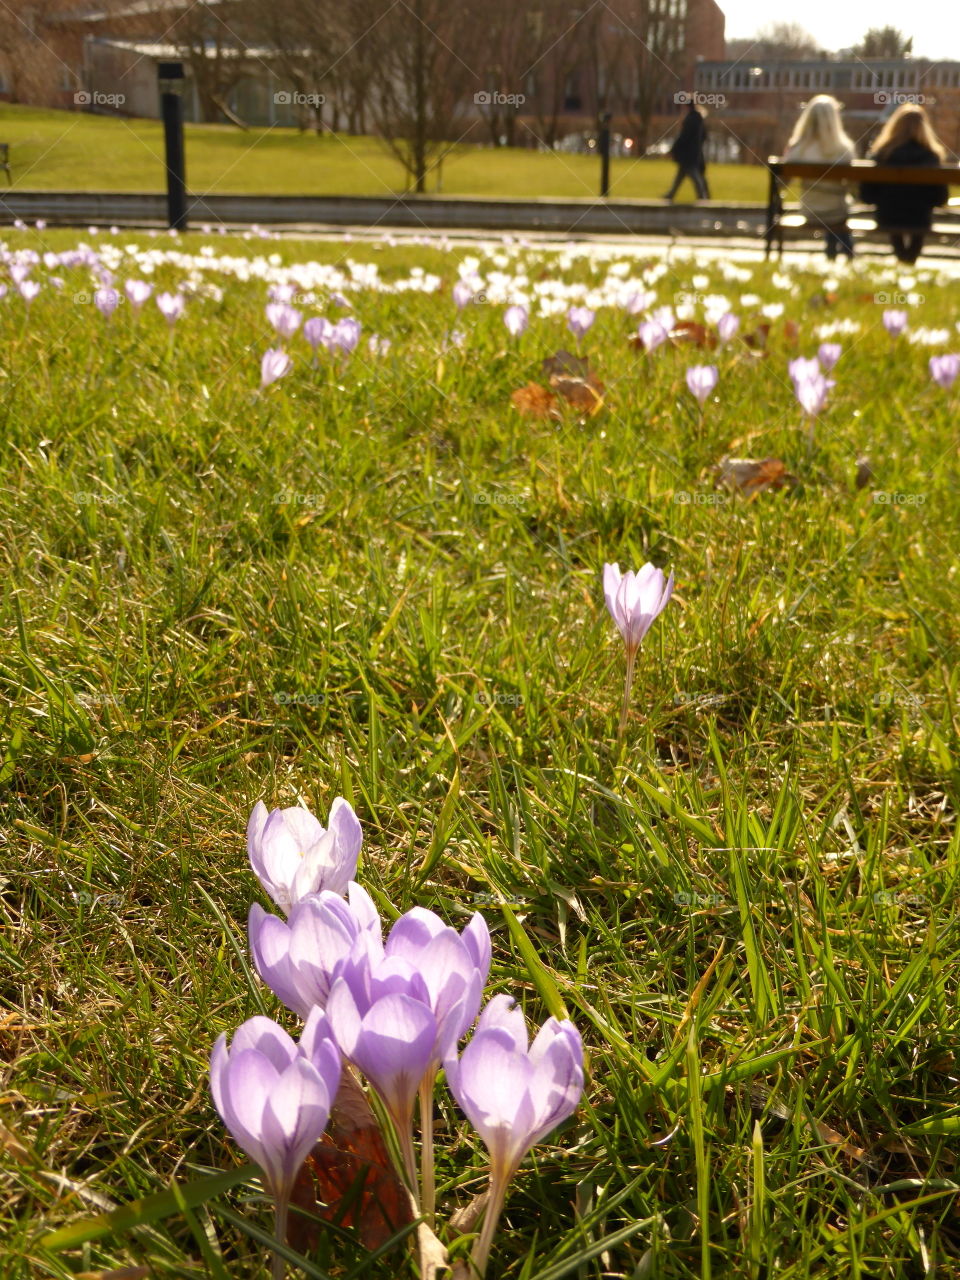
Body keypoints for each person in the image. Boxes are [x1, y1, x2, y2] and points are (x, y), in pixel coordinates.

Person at [859, 103, 949, 264]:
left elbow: (867, 195)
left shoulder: (882, 154)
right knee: (917, 217)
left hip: (888, 215)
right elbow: (940, 198)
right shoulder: (931, 156)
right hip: (919, 217)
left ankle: (903, 259)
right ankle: (909, 260)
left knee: (895, 213)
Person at [782, 95, 856, 260]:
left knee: (831, 211)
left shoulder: (798, 149)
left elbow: (783, 184)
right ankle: (848, 256)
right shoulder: (843, 149)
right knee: (838, 212)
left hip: (810, 211)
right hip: (837, 212)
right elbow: (854, 186)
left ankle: (832, 256)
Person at [664, 101, 709, 201]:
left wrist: (673, 149)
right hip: (694, 152)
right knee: (681, 174)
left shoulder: (690, 119)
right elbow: (704, 136)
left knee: (693, 174)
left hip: (688, 153)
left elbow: (683, 136)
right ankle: (671, 194)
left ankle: (702, 196)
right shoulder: (699, 119)